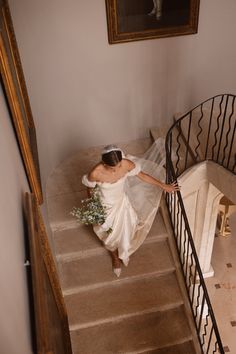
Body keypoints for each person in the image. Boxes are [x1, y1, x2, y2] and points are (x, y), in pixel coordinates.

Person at [82, 142, 179, 277]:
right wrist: (95, 208)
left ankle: (124, 250)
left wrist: (163, 186)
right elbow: (90, 189)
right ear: (104, 164)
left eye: (119, 165)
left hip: (122, 203)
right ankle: (115, 258)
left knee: (127, 229)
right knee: (109, 236)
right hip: (105, 207)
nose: (116, 170)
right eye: (112, 168)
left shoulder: (126, 164)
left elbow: (143, 175)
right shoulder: (95, 173)